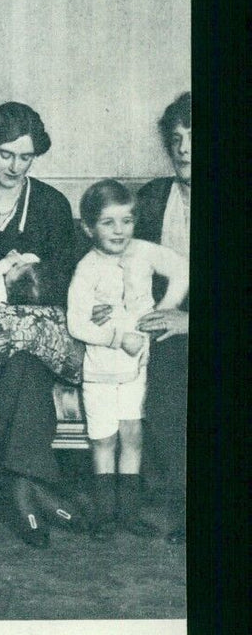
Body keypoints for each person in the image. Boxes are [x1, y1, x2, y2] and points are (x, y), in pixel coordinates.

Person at [0, 102, 80, 547]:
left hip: (27, 330)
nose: (15, 166)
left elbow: (65, 280)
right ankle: (29, 486)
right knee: (21, 362)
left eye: (26, 157)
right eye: (6, 154)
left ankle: (16, 485)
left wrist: (30, 278)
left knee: (24, 357)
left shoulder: (50, 204)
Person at [67, 180, 189, 540]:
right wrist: (116, 336)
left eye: (127, 220)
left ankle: (130, 514)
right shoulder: (87, 269)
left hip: (135, 369)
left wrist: (164, 309)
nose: (119, 231)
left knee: (132, 434)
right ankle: (106, 517)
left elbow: (183, 270)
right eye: (108, 223)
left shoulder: (144, 252)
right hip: (101, 370)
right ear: (89, 228)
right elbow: (76, 322)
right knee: (104, 439)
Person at [135, 93, 191, 541]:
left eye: (194, 138)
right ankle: (171, 502)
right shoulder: (154, 197)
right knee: (164, 365)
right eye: (176, 139)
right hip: (161, 320)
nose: (184, 149)